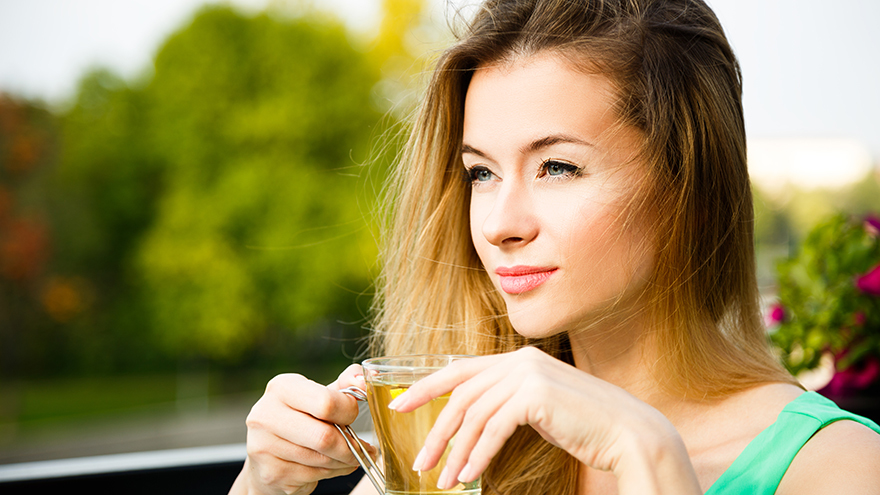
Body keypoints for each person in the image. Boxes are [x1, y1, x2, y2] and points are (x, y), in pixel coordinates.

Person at [230, 0, 880, 493]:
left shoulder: (840, 468)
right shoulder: (456, 447)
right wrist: (264, 484)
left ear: (689, 185)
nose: (498, 224)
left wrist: (646, 455)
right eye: (481, 172)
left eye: (558, 167)